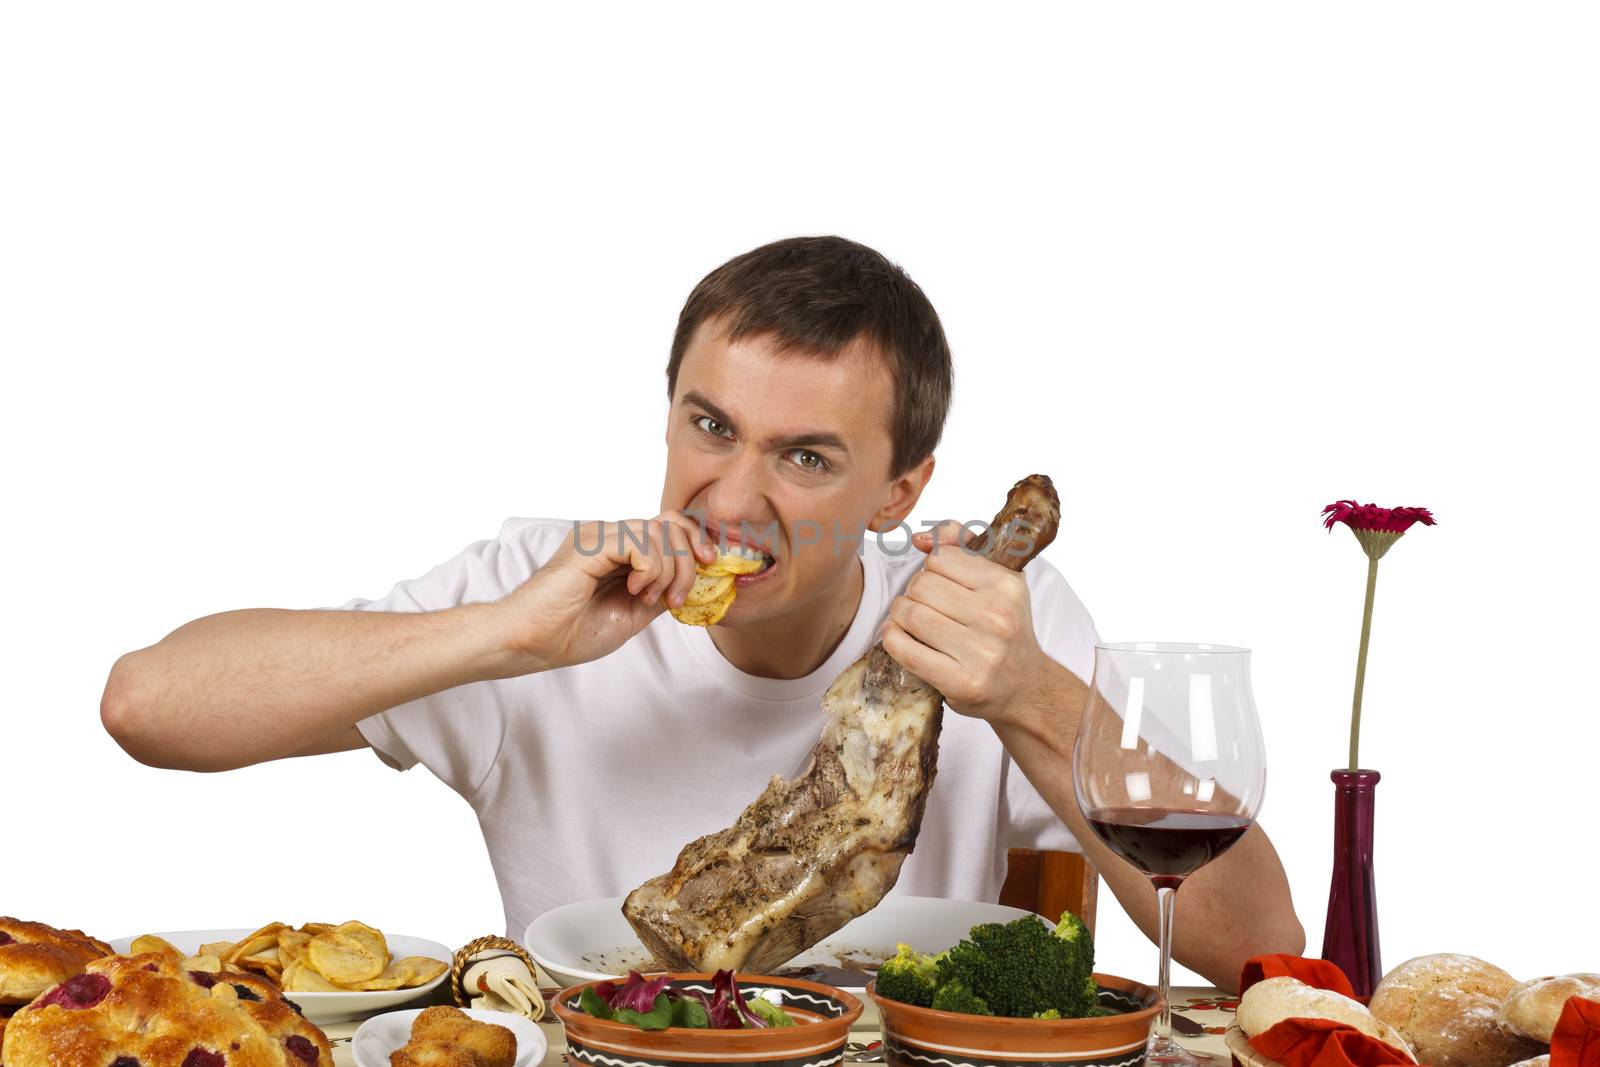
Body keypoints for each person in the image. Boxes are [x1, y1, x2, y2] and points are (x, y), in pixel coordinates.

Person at [100, 236, 1304, 991]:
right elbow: (149, 706)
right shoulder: (548, 583)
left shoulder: (989, 609)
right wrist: (503, 636)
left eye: (807, 457)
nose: (732, 496)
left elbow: (1255, 944)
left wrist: (1035, 693)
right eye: (709, 425)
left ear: (902, 489)